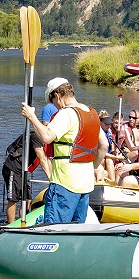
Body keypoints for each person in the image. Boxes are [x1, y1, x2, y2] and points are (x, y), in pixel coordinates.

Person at [23, 77, 99, 224]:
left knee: (54, 228)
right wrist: (93, 167)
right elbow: (103, 145)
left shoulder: (66, 113)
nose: (56, 107)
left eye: (53, 102)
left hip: (65, 183)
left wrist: (31, 117)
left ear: (57, 95)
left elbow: (46, 137)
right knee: (76, 229)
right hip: (85, 183)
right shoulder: (91, 113)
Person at [2, 128, 48, 222]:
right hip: (13, 168)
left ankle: (23, 221)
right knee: (13, 199)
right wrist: (50, 178)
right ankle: (11, 226)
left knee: (27, 198)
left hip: (22, 170)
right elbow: (41, 158)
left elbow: (46, 159)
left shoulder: (46, 139)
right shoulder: (36, 136)